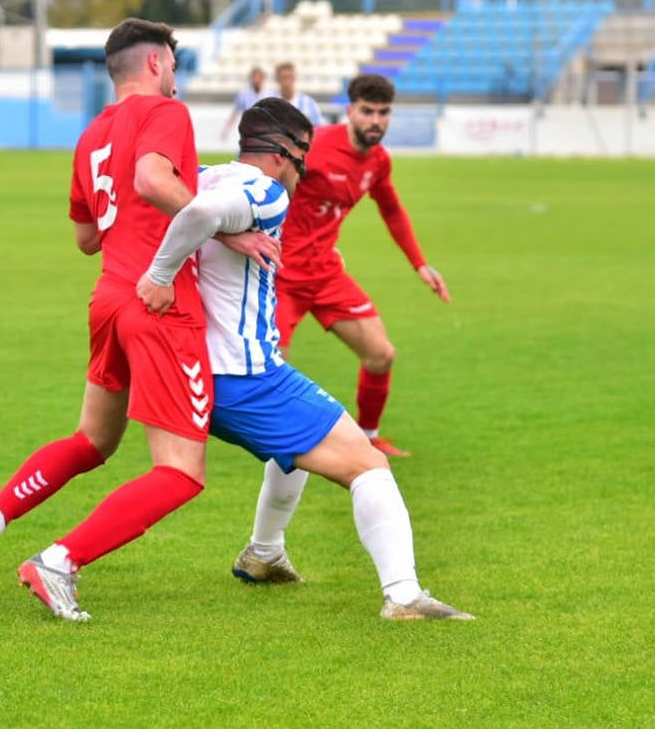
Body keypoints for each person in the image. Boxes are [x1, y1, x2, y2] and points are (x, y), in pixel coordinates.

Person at [135, 97, 473, 621]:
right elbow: (200, 217)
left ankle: (264, 554)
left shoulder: (204, 175)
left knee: (294, 450)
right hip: (244, 377)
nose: (303, 175)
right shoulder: (264, 190)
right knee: (368, 464)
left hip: (198, 368)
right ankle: (404, 596)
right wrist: (158, 277)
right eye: (302, 161)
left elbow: (178, 206)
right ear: (281, 154)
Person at [0, 18, 237, 621]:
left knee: (93, 441)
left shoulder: (92, 134)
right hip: (159, 301)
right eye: (176, 69)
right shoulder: (166, 114)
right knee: (181, 472)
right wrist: (221, 223)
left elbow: (86, 236)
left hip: (108, 297)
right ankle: (59, 560)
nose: (176, 81)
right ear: (157, 64)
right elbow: (153, 178)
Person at [274, 73, 448, 457]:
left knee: (381, 354)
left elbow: (391, 209)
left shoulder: (378, 161)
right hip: (280, 276)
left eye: (383, 113)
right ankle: (283, 443)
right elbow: (267, 182)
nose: (376, 121)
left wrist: (420, 264)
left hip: (325, 274)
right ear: (350, 111)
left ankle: (369, 437)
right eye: (367, 111)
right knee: (273, 368)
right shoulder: (315, 146)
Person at [269, 61, 323, 126]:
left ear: (294, 78)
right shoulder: (270, 104)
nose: (286, 82)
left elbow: (319, 127)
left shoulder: (308, 103)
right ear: (277, 80)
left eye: (289, 77)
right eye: (283, 78)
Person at [221, 66, 267, 141]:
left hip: (264, 132)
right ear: (251, 79)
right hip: (248, 131)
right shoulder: (243, 94)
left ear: (263, 79)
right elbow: (235, 113)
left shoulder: (268, 94)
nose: (257, 80)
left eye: (259, 77)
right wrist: (227, 129)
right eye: (254, 77)